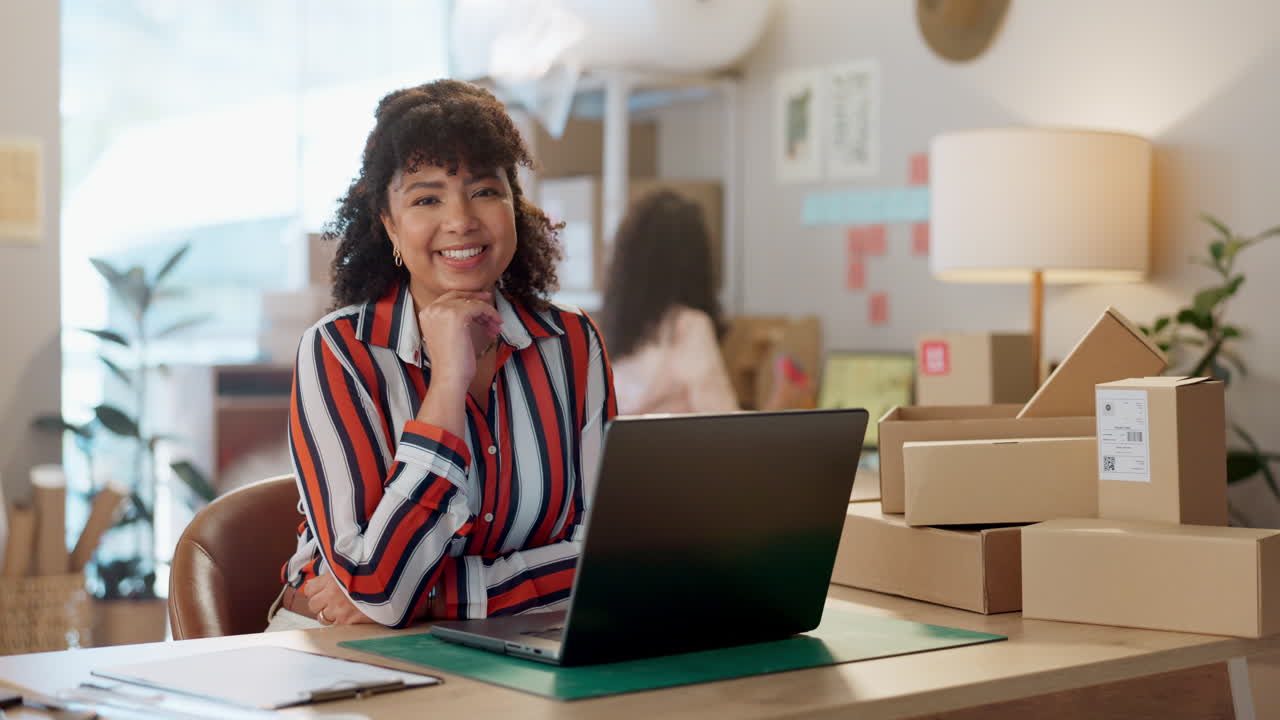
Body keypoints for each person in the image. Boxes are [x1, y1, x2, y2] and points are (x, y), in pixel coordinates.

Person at [268, 80, 616, 631]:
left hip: (525, 638)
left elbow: (608, 557)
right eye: (426, 198)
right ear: (390, 225)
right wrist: (449, 380)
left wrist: (434, 600)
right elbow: (380, 585)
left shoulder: (571, 342)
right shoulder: (339, 352)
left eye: (484, 191)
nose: (461, 220)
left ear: (513, 206)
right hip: (336, 651)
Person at [600, 190, 808, 415]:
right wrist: (782, 400)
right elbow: (723, 426)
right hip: (672, 450)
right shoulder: (686, 327)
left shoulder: (615, 332)